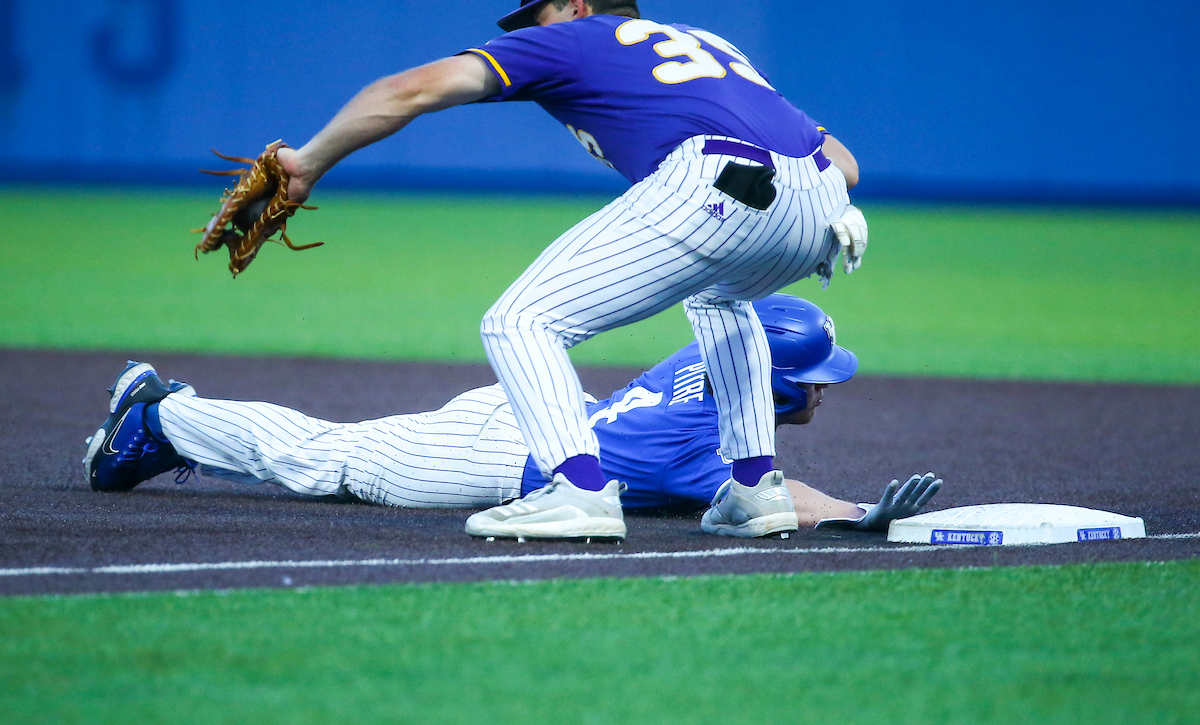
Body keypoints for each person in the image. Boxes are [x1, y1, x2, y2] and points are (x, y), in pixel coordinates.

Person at [271, 0, 870, 540]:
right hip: (822, 200)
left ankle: (579, 491)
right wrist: (818, 204)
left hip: (716, 182)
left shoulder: (577, 37)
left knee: (519, 322)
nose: (531, 29)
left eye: (539, 14)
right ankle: (754, 491)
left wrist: (308, 162)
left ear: (575, 5)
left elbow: (412, 90)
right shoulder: (711, 45)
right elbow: (843, 163)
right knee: (719, 300)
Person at [82, 295, 940, 537]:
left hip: (544, 413)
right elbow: (779, 499)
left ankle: (165, 420)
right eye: (816, 379)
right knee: (323, 459)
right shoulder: (701, 442)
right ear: (776, 385)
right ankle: (158, 415)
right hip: (500, 455)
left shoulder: (708, 357)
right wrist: (862, 517)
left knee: (329, 452)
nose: (826, 390)